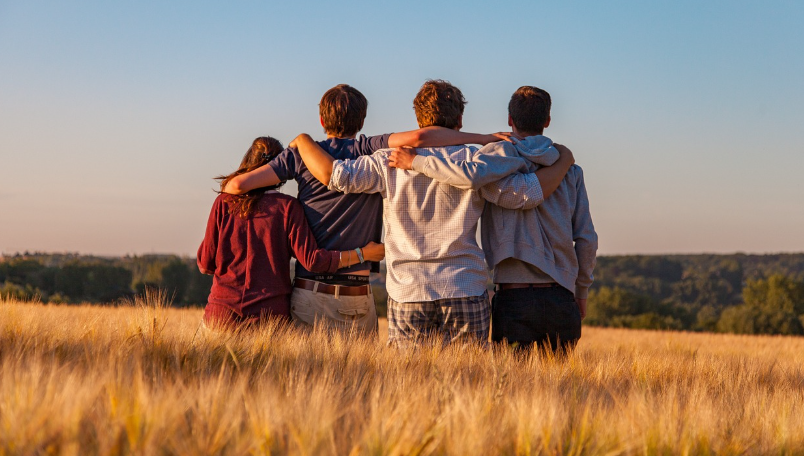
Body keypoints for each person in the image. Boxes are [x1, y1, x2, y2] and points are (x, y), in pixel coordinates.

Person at [289, 80, 575, 347]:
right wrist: (563, 161)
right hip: (464, 286)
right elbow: (525, 195)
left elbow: (336, 176)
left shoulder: (387, 161)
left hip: (408, 291)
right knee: (469, 384)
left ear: (418, 120)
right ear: (460, 121)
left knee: (409, 386)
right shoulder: (476, 162)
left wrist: (303, 141)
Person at [221, 84, 510, 335]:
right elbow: (422, 138)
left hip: (309, 290)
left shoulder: (300, 155)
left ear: (322, 119)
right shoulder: (370, 149)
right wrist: (482, 138)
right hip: (356, 294)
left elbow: (235, 187)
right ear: (362, 120)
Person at [389, 86, 597, 353]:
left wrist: (417, 162)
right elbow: (587, 239)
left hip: (513, 298)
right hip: (562, 296)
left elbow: (470, 176)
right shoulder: (570, 170)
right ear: (547, 121)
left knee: (509, 388)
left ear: (510, 119)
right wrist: (581, 291)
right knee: (559, 390)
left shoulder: (491, 161)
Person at [197, 136, 384, 328]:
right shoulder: (287, 207)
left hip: (221, 316)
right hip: (269, 320)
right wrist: (363, 254)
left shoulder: (224, 203)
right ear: (280, 168)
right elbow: (313, 261)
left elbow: (205, 264)